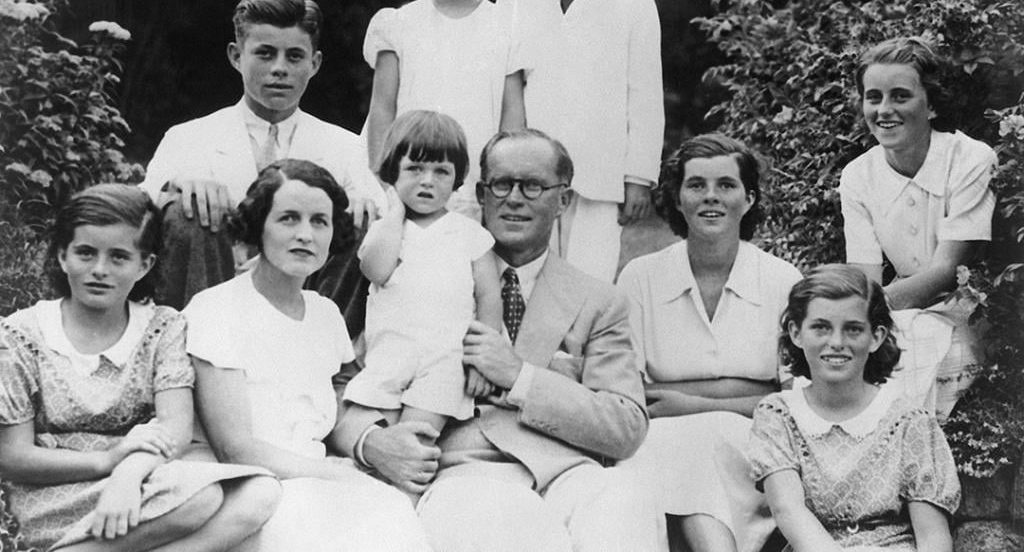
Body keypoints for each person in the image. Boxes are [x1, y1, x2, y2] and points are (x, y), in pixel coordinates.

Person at [338, 128, 659, 551]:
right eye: (502, 184)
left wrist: (520, 377)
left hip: (565, 470)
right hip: (463, 471)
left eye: (533, 186)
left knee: (622, 497)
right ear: (480, 193)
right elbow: (343, 378)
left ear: (563, 200)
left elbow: (626, 425)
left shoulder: (598, 301)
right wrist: (372, 442)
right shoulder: (412, 266)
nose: (514, 198)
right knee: (494, 514)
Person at [0, 184, 279, 551]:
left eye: (119, 257)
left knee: (259, 492)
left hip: (141, 478)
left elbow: (174, 431)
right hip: (55, 489)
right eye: (85, 253)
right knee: (202, 499)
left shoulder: (162, 327)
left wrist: (126, 475)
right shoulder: (22, 334)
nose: (100, 270)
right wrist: (107, 462)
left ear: (144, 264)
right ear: (62, 256)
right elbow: (13, 457)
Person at [182, 159, 430, 550]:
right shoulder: (216, 309)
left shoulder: (325, 314)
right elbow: (236, 447)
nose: (305, 235)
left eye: (319, 221)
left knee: (395, 519)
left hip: (317, 482)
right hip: (250, 491)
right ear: (257, 226)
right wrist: (339, 477)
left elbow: (337, 408)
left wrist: (374, 448)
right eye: (288, 219)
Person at [140, 0, 383, 310]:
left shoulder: (344, 146)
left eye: (294, 56)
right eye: (265, 53)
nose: (279, 68)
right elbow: (137, 220)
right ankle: (191, 347)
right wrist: (174, 189)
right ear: (236, 56)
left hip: (306, 304)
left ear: (315, 64)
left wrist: (355, 206)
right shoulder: (189, 137)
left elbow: (384, 233)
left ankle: (328, 353)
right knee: (185, 211)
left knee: (361, 220)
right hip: (214, 298)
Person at [617, 133, 803, 552]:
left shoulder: (781, 280)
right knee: (676, 450)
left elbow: (796, 400)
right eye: (696, 185)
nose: (710, 197)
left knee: (694, 442)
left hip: (754, 442)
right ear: (678, 199)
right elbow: (631, 392)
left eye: (726, 185)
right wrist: (753, 392)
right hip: (661, 439)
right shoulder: (640, 278)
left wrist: (692, 404)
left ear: (750, 198)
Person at [496, 0, 664, 281]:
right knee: (526, 275)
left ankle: (581, 350)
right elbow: (505, 87)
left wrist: (639, 176)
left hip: (600, 174)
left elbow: (645, 94)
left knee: (588, 280)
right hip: (531, 175)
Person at [839, 36, 997, 420]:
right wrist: (853, 317)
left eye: (900, 96)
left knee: (908, 350)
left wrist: (856, 315)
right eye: (873, 97)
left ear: (931, 105)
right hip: (895, 312)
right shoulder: (858, 176)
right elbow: (866, 279)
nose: (884, 110)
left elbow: (945, 273)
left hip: (969, 312)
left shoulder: (970, 159)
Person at [749, 264, 960, 551]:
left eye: (853, 329)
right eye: (821, 327)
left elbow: (932, 537)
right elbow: (790, 511)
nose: (836, 343)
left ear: (876, 336)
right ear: (796, 333)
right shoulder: (778, 415)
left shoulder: (910, 422)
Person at [344, 111, 502, 458]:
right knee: (378, 439)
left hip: (444, 362)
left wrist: (482, 362)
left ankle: (410, 500)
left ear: (458, 179)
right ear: (392, 172)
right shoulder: (387, 231)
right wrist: (395, 213)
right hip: (388, 357)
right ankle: (380, 498)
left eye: (441, 172)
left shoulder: (470, 235)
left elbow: (490, 300)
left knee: (415, 441)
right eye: (415, 169)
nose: (427, 181)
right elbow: (375, 270)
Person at [363, 0, 523, 218]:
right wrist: (385, 186)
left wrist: (503, 184)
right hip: (408, 188)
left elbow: (512, 120)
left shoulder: (506, 26)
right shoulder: (397, 25)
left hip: (477, 191)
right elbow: (382, 110)